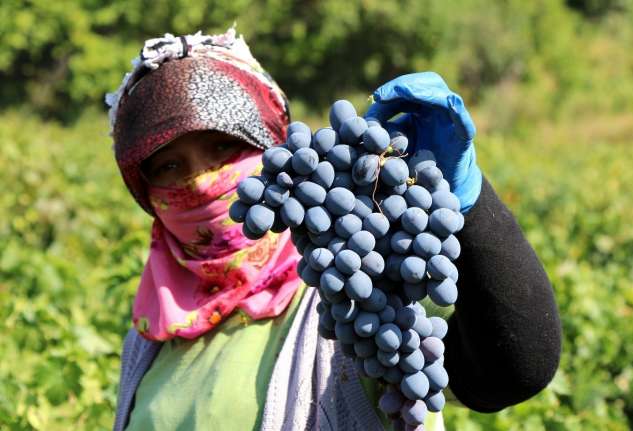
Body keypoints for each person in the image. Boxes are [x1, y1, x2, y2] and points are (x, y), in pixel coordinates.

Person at [108, 28, 562, 431]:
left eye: (224, 146)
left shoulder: (347, 290)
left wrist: (472, 204)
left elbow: (509, 372)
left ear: (274, 147)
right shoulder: (152, 332)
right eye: (168, 165)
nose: (203, 181)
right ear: (143, 192)